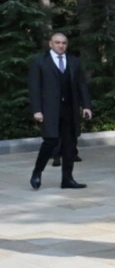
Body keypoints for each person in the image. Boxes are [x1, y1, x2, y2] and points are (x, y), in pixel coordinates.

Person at [28, 32, 92, 191]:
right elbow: (34, 87)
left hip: (70, 109)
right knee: (50, 142)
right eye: (57, 42)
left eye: (64, 43)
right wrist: (37, 110)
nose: (61, 45)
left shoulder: (74, 61)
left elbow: (81, 85)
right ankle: (37, 172)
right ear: (50, 44)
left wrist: (87, 106)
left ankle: (67, 179)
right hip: (50, 110)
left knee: (70, 144)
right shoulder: (40, 62)